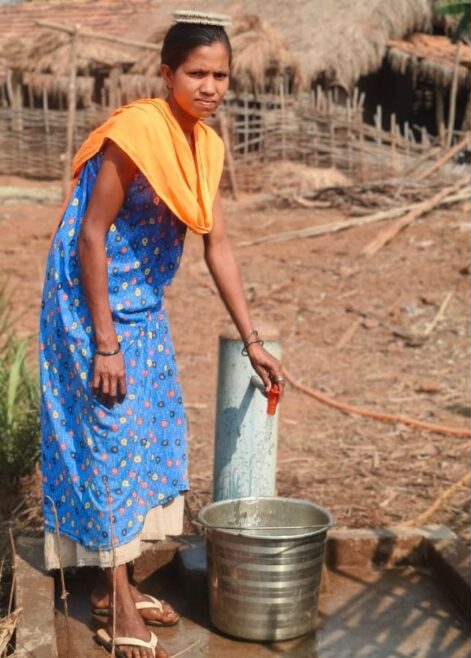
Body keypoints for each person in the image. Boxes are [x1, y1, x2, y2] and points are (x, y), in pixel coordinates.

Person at [37, 11, 282, 658]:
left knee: (148, 433)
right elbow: (91, 235)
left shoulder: (205, 146)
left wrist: (253, 339)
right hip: (87, 303)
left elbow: (217, 246)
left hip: (142, 303)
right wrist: (105, 343)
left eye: (221, 76)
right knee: (109, 438)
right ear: (167, 73)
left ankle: (104, 587)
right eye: (197, 73)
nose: (210, 87)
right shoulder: (138, 132)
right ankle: (120, 608)